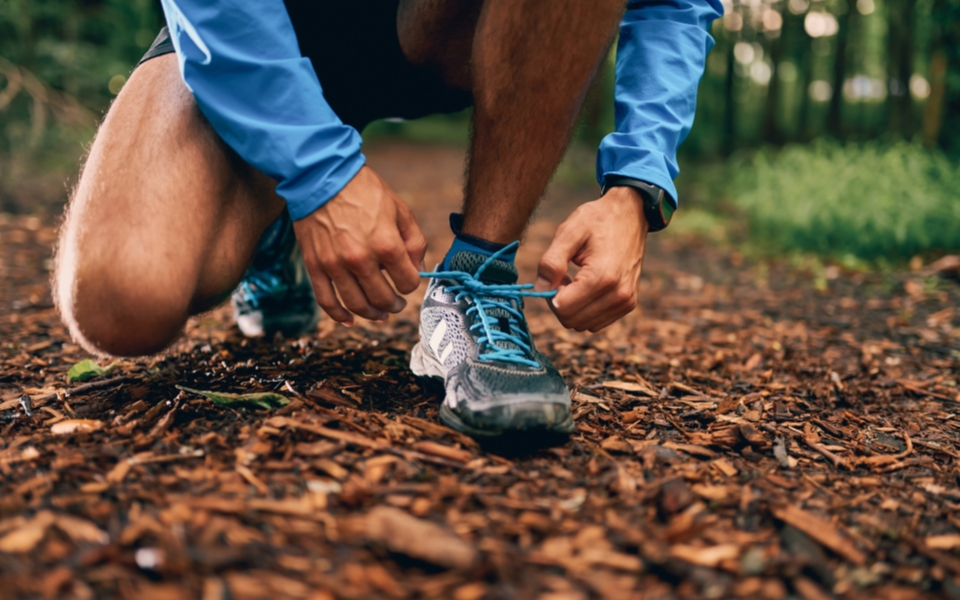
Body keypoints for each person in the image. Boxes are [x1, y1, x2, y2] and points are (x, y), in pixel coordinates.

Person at [54, 0, 723, 439]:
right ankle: (274, 215)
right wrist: (319, 176)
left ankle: (477, 273)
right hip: (257, 21)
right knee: (122, 298)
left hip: (447, 22)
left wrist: (637, 182)